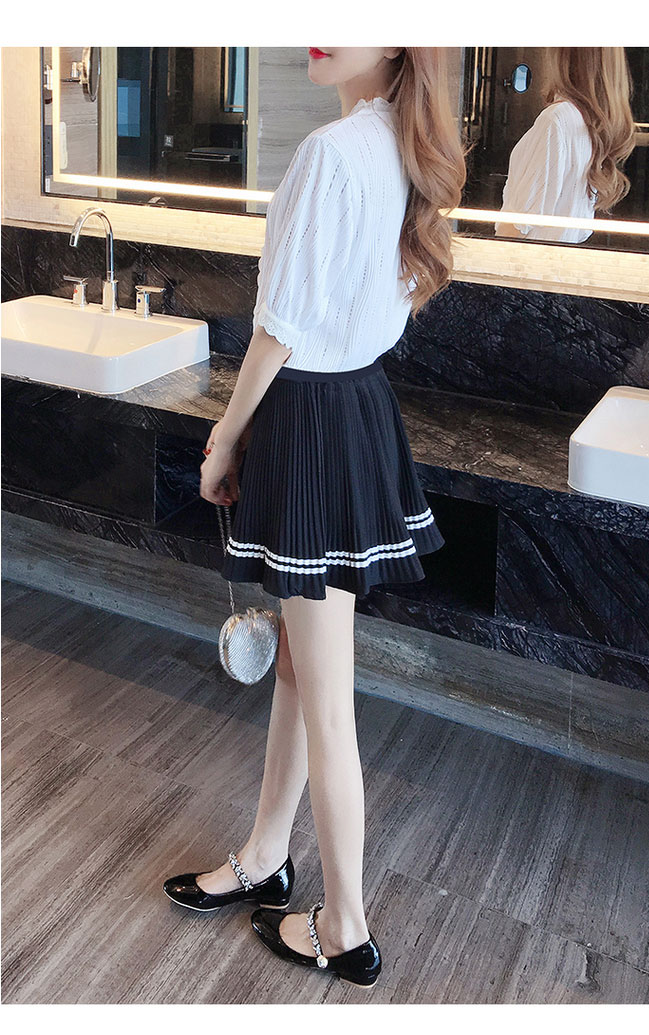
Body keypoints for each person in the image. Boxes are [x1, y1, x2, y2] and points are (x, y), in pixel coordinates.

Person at [163, 47, 467, 989]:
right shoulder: (397, 148)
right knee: (301, 665)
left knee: (328, 698)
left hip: (310, 419)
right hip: (355, 409)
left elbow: (280, 327)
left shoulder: (333, 153)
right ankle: (266, 854)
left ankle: (347, 927)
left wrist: (224, 438)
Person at [495, 47, 636, 243]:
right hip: (560, 254)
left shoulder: (556, 120)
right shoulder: (589, 121)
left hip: (527, 256)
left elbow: (519, 224)